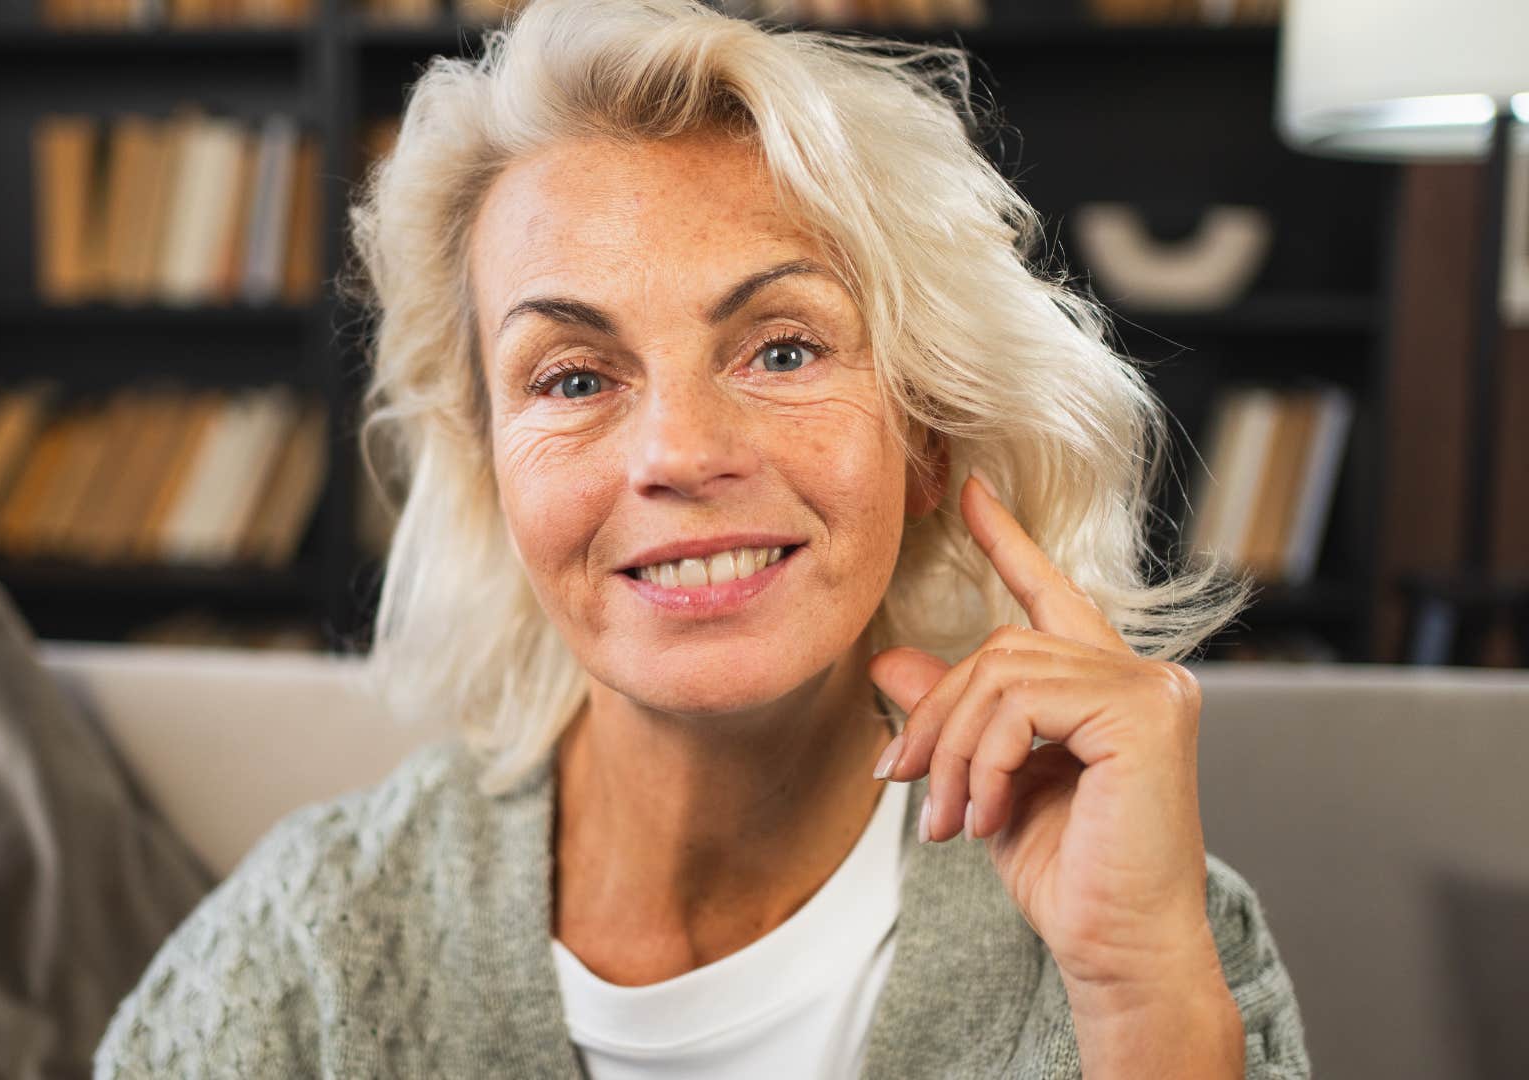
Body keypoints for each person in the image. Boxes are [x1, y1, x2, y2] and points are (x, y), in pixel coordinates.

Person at [95, 0, 1309, 1075]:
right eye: (572, 378)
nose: (679, 453)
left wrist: (1142, 997)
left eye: (784, 349)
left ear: (928, 438)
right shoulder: (307, 949)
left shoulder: (1161, 934)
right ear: (492, 474)